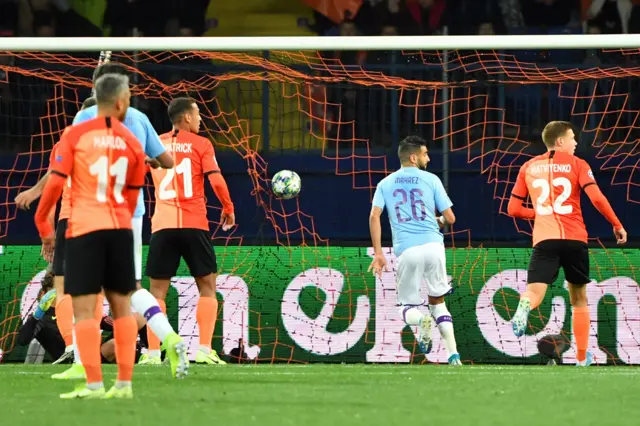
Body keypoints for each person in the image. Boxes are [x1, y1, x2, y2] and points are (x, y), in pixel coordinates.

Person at [56, 62, 188, 380]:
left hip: (91, 213)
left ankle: (79, 364)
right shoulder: (140, 119)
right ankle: (168, 336)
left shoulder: (84, 118)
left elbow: (67, 162)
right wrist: (144, 158)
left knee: (83, 290)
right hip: (132, 213)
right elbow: (168, 161)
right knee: (130, 288)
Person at [34, 73, 146, 399]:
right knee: (122, 307)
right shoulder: (131, 139)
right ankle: (124, 384)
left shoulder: (75, 134)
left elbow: (54, 186)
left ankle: (94, 384)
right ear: (121, 102)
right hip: (120, 228)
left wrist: (44, 229)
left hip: (84, 228)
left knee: (84, 309)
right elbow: (135, 193)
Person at [507, 121, 627, 367]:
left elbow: (513, 209)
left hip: (545, 239)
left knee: (534, 292)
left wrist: (542, 213)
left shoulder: (528, 166)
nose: (575, 143)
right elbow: (596, 198)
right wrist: (616, 223)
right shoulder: (578, 164)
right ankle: (582, 358)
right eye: (572, 138)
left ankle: (525, 304)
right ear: (560, 141)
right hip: (574, 238)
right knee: (579, 299)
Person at [143, 97, 234, 365]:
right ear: (186, 118)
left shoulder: (155, 143)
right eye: (197, 115)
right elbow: (216, 179)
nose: (201, 119)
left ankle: (151, 353)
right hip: (194, 223)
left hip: (163, 224)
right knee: (207, 287)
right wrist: (228, 207)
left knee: (156, 292)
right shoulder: (202, 144)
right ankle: (204, 349)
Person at [16, 97, 98, 367]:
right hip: (105, 220)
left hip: (71, 218)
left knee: (62, 287)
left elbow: (54, 179)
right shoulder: (115, 140)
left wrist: (45, 226)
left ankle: (73, 346)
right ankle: (87, 347)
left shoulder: (68, 139)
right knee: (97, 288)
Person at [367, 135, 461, 365]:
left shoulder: (385, 183)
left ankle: (421, 322)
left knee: (406, 306)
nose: (428, 158)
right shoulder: (431, 180)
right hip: (434, 247)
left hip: (408, 251)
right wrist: (436, 221)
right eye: (425, 154)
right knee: (438, 302)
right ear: (413, 156)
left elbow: (374, 216)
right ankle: (454, 356)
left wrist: (379, 253)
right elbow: (450, 218)